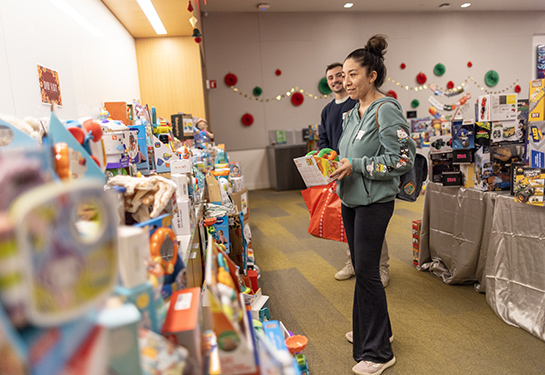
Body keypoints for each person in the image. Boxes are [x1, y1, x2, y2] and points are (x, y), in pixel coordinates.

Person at [330, 35, 416, 375]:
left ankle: (379, 352)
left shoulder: (387, 110)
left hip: (374, 202)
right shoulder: (352, 114)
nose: (345, 81)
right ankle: (372, 329)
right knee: (362, 271)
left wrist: (356, 166)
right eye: (343, 75)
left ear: (372, 76)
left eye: (353, 75)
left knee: (367, 272)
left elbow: (399, 160)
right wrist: (331, 162)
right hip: (351, 198)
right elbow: (348, 154)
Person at [318, 62, 391, 287]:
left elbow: (398, 159)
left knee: (370, 230)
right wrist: (324, 159)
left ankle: (382, 267)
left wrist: (356, 163)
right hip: (341, 173)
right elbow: (325, 140)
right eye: (332, 78)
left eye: (345, 75)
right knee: (351, 228)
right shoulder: (329, 110)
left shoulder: (367, 104)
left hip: (368, 179)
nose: (338, 81)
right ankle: (354, 262)